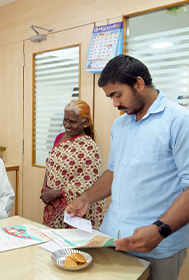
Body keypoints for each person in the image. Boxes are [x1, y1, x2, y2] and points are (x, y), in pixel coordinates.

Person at [66, 55, 189, 280]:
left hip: (156, 244)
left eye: (117, 94)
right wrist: (86, 198)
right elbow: (114, 173)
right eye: (110, 97)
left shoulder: (180, 121)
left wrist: (159, 230)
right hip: (113, 237)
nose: (115, 103)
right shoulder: (120, 124)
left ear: (139, 84)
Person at [40, 100, 106, 230]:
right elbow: (50, 165)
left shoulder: (90, 148)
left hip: (74, 207)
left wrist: (57, 193)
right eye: (65, 120)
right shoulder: (60, 137)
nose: (67, 125)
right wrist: (45, 190)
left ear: (85, 122)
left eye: (73, 122)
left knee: (71, 246)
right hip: (52, 204)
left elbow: (89, 182)